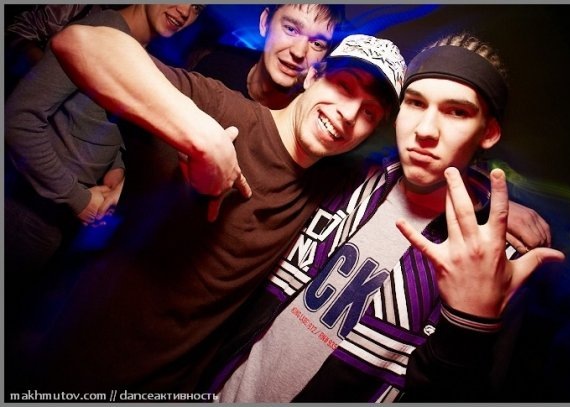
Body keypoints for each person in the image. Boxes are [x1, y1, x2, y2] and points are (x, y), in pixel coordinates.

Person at [9, 32, 405, 394]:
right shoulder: (222, 109)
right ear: (312, 76)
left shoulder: (332, 184)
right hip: (78, 370)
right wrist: (200, 136)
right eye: (343, 86)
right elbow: (80, 43)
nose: (348, 114)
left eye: (369, 113)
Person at [199, 32, 565, 402]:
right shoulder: (344, 179)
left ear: (488, 132)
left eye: (457, 111)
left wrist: (468, 327)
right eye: (415, 103)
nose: (426, 130)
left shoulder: (496, 262)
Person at [5, 4, 204, 279]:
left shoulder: (134, 52)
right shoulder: (101, 30)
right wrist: (78, 199)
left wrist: (115, 166)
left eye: (197, 7)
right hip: (23, 209)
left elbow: (97, 117)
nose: (184, 11)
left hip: (55, 218)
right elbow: (17, 120)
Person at [193, 4, 346, 109]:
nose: (299, 52)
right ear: (265, 22)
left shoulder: (309, 122)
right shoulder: (215, 68)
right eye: (291, 29)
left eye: (317, 44)